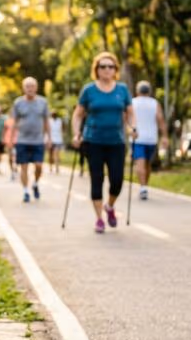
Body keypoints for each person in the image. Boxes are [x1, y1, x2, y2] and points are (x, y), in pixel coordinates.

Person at [71, 52, 134, 234]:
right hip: (93, 141)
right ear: (96, 69)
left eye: (110, 66)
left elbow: (130, 112)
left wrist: (133, 127)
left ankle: (109, 206)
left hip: (116, 141)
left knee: (117, 180)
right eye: (103, 66)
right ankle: (99, 219)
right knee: (96, 179)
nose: (107, 69)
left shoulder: (122, 90)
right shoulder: (89, 90)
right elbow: (78, 114)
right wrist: (76, 133)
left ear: (115, 70)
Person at [9, 77, 51, 202]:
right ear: (23, 88)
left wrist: (49, 138)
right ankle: (26, 191)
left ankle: (35, 184)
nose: (30, 89)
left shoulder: (43, 102)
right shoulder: (18, 103)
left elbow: (46, 121)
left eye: (32, 86)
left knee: (39, 166)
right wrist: (11, 139)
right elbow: (14, 122)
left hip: (38, 140)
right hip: (22, 140)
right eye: (27, 86)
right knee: (24, 167)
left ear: (36, 88)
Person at [132, 80, 168, 200]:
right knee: (147, 164)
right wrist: (164, 136)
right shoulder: (154, 103)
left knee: (140, 163)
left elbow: (126, 118)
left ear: (137, 91)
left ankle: (143, 187)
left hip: (138, 138)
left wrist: (128, 130)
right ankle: (144, 187)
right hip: (151, 139)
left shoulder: (133, 102)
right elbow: (160, 119)